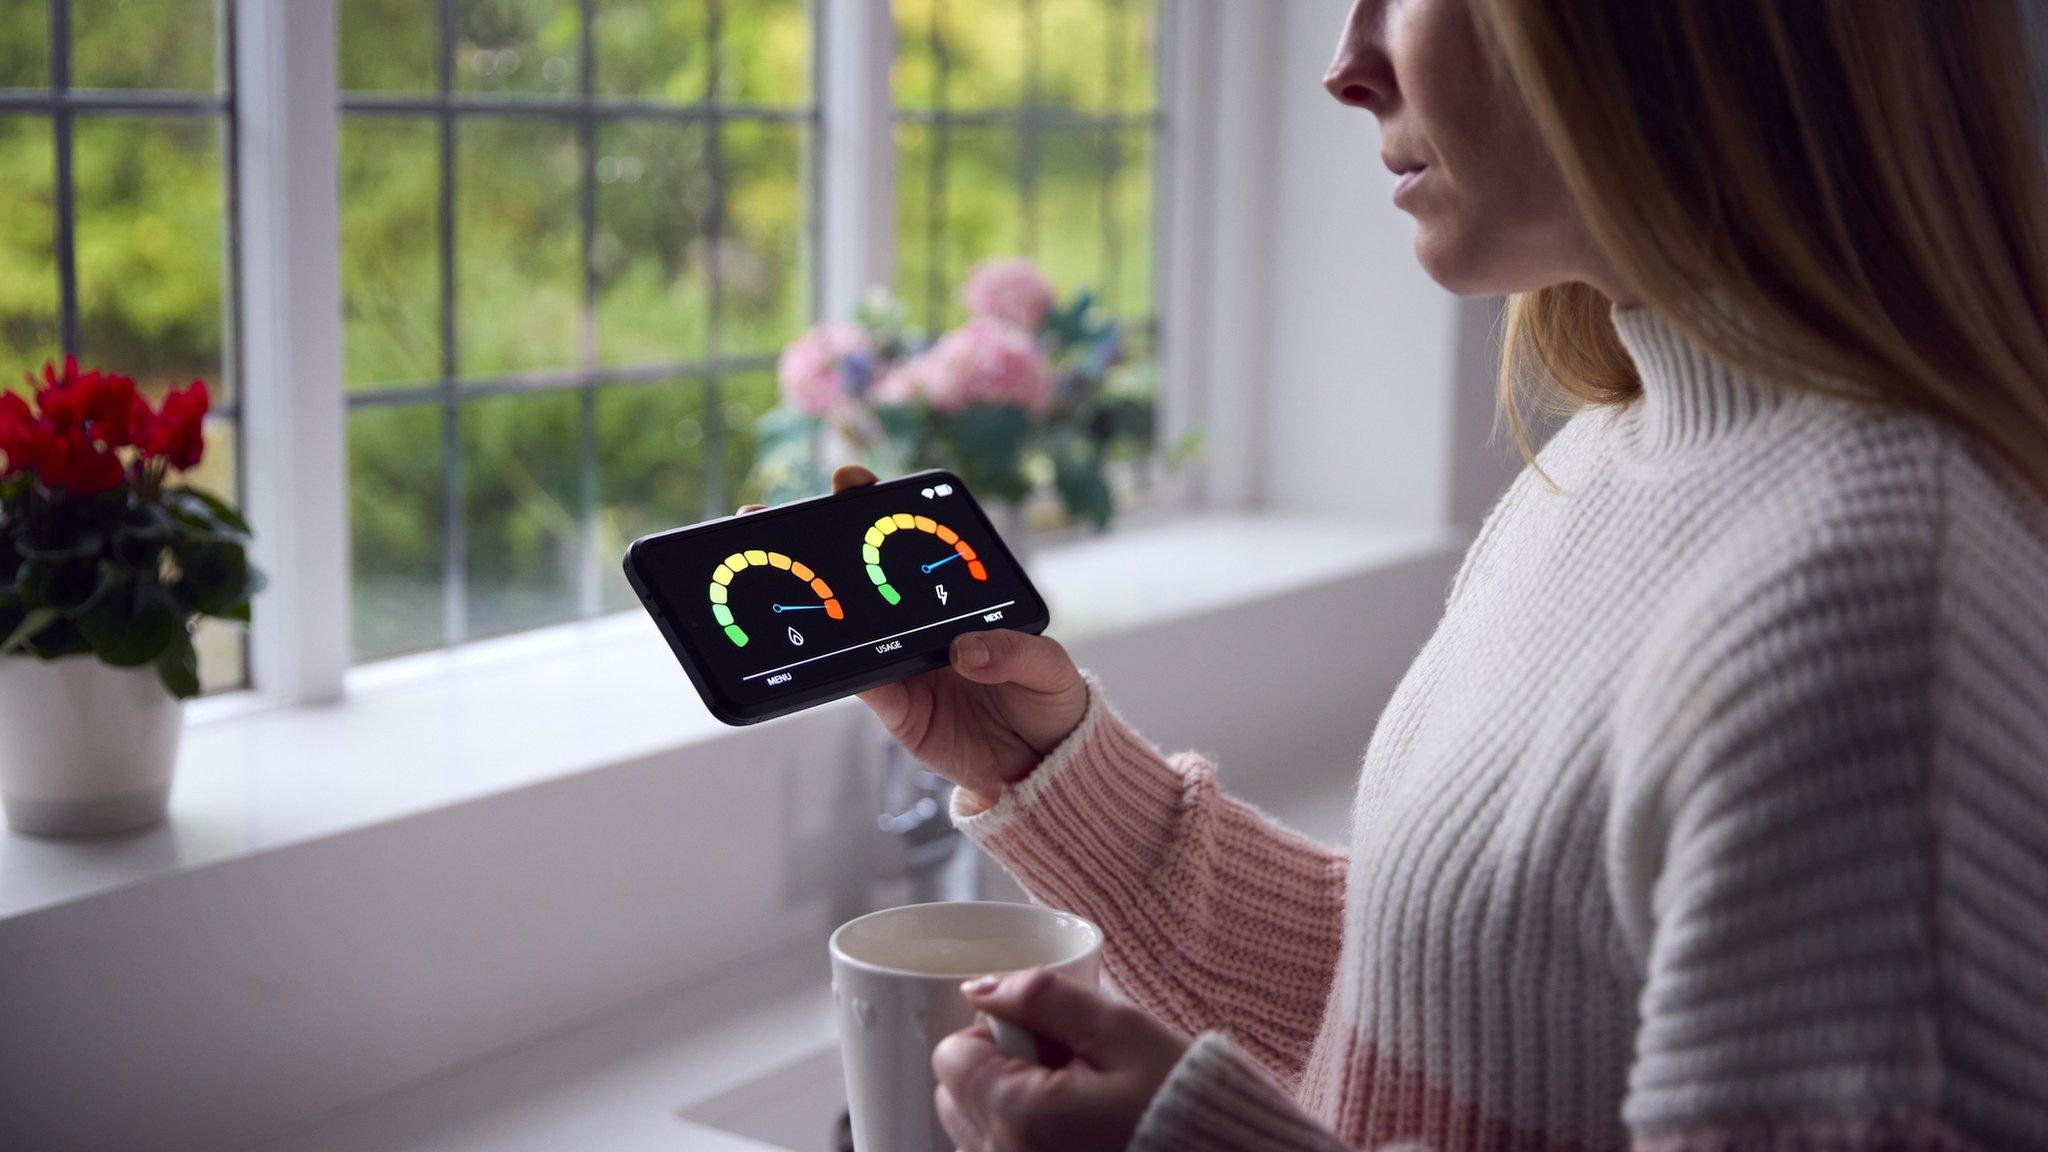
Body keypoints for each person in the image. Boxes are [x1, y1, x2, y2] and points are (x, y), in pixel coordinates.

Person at [745, 0, 2048, 1147]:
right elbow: (1456, 1016)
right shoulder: (1610, 460)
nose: (1346, 64)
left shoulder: (1871, 607)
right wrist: (1057, 776)